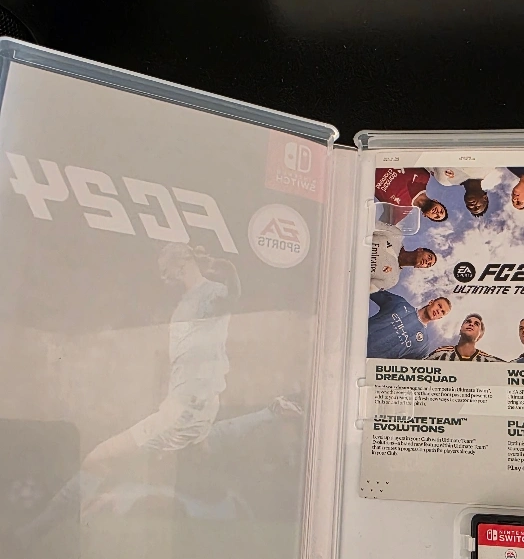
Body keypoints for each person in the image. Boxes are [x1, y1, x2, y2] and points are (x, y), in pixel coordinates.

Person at [18, 244, 300, 541]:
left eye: (166, 271)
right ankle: (271, 412)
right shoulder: (186, 303)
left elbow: (230, 298)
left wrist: (227, 269)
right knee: (200, 441)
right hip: (193, 407)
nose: (164, 279)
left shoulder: (210, 292)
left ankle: (33, 533)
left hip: (183, 410)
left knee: (97, 459)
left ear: (182, 263)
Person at [367, 291, 451, 359]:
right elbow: (372, 289)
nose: (439, 311)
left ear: (440, 318)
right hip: (359, 338)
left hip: (366, 365)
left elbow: (412, 368)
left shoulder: (423, 346)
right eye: (439, 306)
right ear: (431, 302)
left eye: (442, 312)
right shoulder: (400, 303)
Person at [370, 221, 436, 291]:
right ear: (419, 249)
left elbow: (366, 288)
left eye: (428, 265)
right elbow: (369, 225)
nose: (427, 261)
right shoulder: (395, 234)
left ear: (418, 267)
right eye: (429, 257)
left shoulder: (392, 280)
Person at [374, 167, 448, 222]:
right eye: (441, 211)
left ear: (425, 215)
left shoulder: (400, 211)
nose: (438, 213)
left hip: (367, 176)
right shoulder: (424, 176)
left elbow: (383, 228)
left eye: (436, 217)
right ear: (436, 201)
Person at [426, 312, 504, 362]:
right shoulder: (440, 354)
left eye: (476, 324)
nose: (471, 324)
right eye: (468, 322)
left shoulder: (489, 361)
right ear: (460, 329)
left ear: (480, 335)